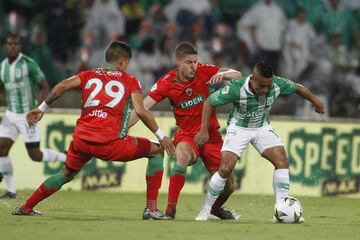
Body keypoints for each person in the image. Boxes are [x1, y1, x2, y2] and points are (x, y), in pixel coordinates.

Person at [12, 41, 175, 217]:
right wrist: (161, 136)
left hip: (82, 141)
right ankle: (150, 209)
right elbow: (141, 111)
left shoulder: (88, 75)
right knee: (157, 151)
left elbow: (62, 86)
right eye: (127, 63)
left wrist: (42, 108)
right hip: (109, 143)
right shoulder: (130, 80)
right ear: (122, 61)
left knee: (65, 173)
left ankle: (26, 207)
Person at [194, 61, 325, 221]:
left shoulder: (276, 84)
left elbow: (298, 88)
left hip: (262, 127)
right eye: (260, 86)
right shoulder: (236, 88)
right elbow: (209, 102)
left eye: (267, 86)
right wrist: (203, 130)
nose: (264, 90)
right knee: (226, 168)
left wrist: (316, 102)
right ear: (252, 79)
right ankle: (205, 210)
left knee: (282, 161)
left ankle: (280, 211)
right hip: (239, 128)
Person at [129, 42, 243, 220]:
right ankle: (170, 212)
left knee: (229, 186)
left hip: (211, 136)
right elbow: (141, 108)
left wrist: (223, 75)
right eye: (189, 62)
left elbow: (238, 74)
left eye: (195, 62)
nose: (194, 66)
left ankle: (215, 208)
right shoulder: (166, 83)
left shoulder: (204, 71)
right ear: (178, 62)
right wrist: (122, 128)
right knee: (181, 156)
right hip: (187, 135)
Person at [0, 34, 67, 199]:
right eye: (9, 44)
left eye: (16, 44)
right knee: (1, 148)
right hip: (11, 115)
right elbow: (1, 88)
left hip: (28, 115)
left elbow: (44, 86)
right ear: (5, 46)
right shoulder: (2, 66)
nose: (12, 47)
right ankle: (10, 190)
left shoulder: (28, 64)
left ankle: (65, 157)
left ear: (20, 46)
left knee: (35, 155)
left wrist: (38, 107)